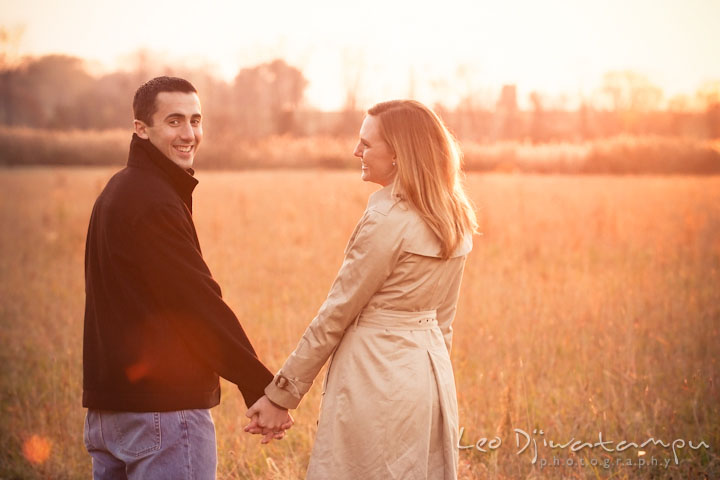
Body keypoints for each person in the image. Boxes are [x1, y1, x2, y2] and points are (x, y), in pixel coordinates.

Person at [245, 99, 477, 478]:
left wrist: (281, 395)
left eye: (366, 144)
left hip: (375, 377)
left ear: (399, 153)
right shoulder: (455, 214)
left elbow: (337, 312)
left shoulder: (387, 218)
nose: (357, 151)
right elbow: (442, 320)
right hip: (429, 377)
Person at [82, 76, 292, 480]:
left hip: (110, 414)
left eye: (196, 120)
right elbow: (197, 304)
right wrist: (262, 388)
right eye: (174, 121)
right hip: (162, 415)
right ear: (141, 128)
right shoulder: (153, 202)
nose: (190, 133)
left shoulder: (118, 190)